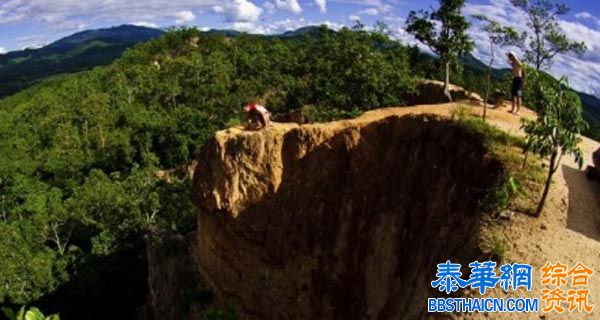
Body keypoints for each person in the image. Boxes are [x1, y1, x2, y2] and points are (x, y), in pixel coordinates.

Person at [508, 51, 524, 115]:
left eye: (511, 56)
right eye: (510, 56)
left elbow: (520, 65)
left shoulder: (518, 62)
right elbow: (509, 62)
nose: (510, 57)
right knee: (513, 95)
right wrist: (510, 57)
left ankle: (518, 111)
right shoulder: (513, 63)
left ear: (513, 56)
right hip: (515, 79)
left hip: (519, 79)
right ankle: (513, 108)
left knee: (518, 95)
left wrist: (515, 56)